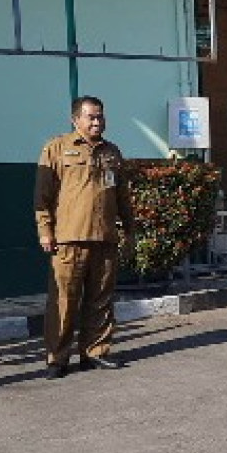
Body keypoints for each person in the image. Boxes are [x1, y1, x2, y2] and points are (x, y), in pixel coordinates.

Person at [34, 96, 133, 379]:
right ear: (75, 119)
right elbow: (42, 196)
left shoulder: (111, 152)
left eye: (100, 117)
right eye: (91, 117)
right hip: (68, 238)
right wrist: (45, 230)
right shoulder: (56, 148)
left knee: (100, 299)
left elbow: (122, 196)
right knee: (63, 301)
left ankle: (95, 352)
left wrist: (128, 229)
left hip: (104, 237)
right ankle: (57, 358)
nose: (97, 122)